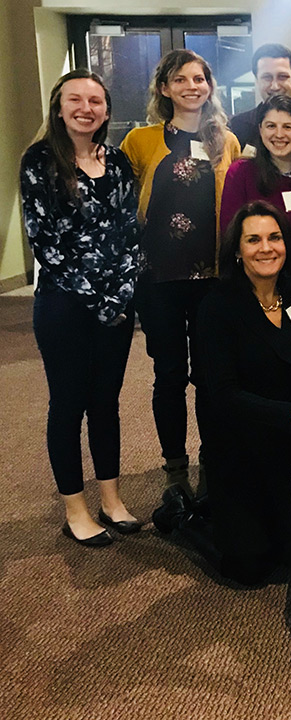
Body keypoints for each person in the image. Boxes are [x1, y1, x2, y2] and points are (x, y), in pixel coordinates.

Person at [153, 201, 291, 584]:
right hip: (238, 444)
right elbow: (222, 395)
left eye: (274, 238)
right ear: (237, 250)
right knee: (247, 571)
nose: (266, 248)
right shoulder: (217, 306)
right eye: (253, 240)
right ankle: (185, 514)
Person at [20, 70, 142, 546]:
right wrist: (97, 297)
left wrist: (119, 295)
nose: (85, 108)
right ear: (59, 107)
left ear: (106, 111)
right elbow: (46, 243)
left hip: (114, 306)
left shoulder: (116, 161)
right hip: (63, 306)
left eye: (95, 101)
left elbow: (130, 230)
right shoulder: (39, 161)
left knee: (106, 403)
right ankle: (76, 509)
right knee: (68, 404)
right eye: (76, 99)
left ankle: (111, 500)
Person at [120, 49, 241, 491]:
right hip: (159, 280)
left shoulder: (225, 141)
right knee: (168, 375)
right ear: (164, 88)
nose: (193, 86)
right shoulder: (140, 141)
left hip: (213, 278)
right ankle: (175, 470)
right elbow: (123, 208)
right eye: (181, 79)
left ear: (210, 86)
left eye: (200, 78)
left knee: (210, 376)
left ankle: (212, 462)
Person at [220, 95, 291, 285]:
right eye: (271, 126)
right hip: (248, 283)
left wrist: (276, 276)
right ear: (260, 129)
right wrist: (261, 276)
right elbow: (231, 232)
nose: (279, 134)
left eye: (288, 127)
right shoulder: (239, 173)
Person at [229, 43, 291, 150]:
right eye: (267, 77)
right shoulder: (238, 126)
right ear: (257, 81)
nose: (275, 86)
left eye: (282, 77)